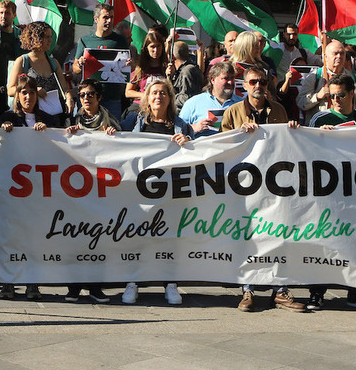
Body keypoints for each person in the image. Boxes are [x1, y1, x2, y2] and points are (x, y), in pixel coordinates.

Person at [221, 65, 306, 312]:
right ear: (244, 85)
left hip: (275, 184)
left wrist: (293, 131)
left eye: (263, 82)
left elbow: (288, 145)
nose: (258, 86)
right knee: (247, 237)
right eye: (253, 82)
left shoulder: (279, 110)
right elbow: (221, 146)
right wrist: (239, 134)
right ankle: (247, 290)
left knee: (278, 235)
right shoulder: (233, 112)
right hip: (244, 185)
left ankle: (280, 290)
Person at [305, 73, 356, 311]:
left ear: (351, 94)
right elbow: (305, 150)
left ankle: (355, 292)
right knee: (323, 241)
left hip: (355, 189)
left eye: (340, 96)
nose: (336, 100)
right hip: (327, 189)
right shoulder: (320, 118)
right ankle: (317, 293)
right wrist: (320, 135)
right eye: (332, 96)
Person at [122, 78, 192, 307]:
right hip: (141, 190)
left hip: (171, 190)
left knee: (168, 238)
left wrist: (189, 141)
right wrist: (112, 132)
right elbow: (117, 144)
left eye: (163, 93)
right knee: (138, 237)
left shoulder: (180, 125)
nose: (158, 97)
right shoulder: (135, 121)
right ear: (147, 98)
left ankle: (170, 283)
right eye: (154, 93)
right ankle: (133, 282)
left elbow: (200, 151)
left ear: (170, 98)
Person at [0, 74, 54, 301]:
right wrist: (3, 130)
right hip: (14, 187)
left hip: (38, 187)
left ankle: (32, 283)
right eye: (23, 92)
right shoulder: (8, 117)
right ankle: (8, 282)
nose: (28, 96)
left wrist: (47, 133)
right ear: (17, 96)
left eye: (31, 92)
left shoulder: (47, 119)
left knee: (33, 235)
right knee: (11, 235)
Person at [62, 79, 117, 303]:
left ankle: (95, 287)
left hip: (101, 189)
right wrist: (67, 135)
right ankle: (73, 288)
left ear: (99, 97)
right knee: (75, 239)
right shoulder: (71, 120)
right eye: (82, 94)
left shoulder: (111, 121)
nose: (86, 98)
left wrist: (115, 136)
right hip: (76, 189)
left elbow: (125, 149)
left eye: (91, 94)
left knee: (98, 239)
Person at [71, 3, 132, 118]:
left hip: (112, 97)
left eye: (111, 17)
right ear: (96, 19)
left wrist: (129, 65)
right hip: (89, 97)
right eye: (105, 17)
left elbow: (129, 67)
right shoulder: (85, 40)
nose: (109, 21)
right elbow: (75, 68)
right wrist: (79, 64)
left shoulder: (120, 41)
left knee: (112, 128)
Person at [7, 21, 70, 123]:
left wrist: (69, 99)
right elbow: (10, 90)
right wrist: (34, 90)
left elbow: (64, 89)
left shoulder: (54, 63)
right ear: (35, 38)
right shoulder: (22, 61)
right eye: (47, 37)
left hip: (53, 117)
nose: (50, 40)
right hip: (30, 118)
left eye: (50, 37)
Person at [297, 40, 356, 124]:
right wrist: (318, 96)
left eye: (342, 53)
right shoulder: (314, 77)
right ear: (325, 57)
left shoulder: (354, 79)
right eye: (335, 53)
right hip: (322, 127)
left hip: (348, 127)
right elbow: (301, 102)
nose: (339, 56)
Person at [179, 62, 242, 137]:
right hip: (203, 144)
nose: (230, 82)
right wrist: (195, 128)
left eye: (232, 78)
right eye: (226, 78)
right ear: (213, 80)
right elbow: (178, 129)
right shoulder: (193, 103)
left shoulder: (242, 103)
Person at [125, 30, 167, 108]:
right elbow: (128, 92)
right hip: (141, 106)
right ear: (146, 48)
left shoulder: (167, 68)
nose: (156, 50)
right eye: (152, 47)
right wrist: (145, 95)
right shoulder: (140, 68)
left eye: (158, 46)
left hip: (161, 107)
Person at [166, 41, 203, 114]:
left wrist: (170, 99)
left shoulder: (187, 71)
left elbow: (186, 97)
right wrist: (169, 78)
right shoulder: (181, 71)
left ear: (173, 57)